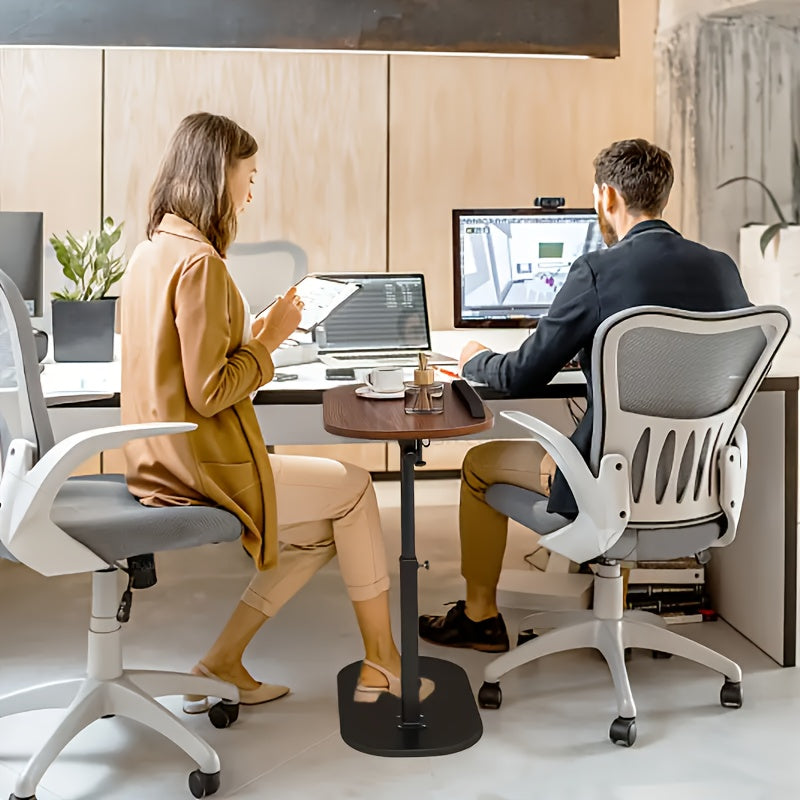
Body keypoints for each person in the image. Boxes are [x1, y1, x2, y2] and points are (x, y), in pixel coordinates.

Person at [121, 112, 432, 709]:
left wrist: (256, 333)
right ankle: (384, 663)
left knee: (318, 534)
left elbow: (182, 367)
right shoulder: (201, 264)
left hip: (158, 463)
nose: (252, 188)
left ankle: (222, 663)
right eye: (249, 173)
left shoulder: (152, 252)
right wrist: (267, 344)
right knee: (356, 488)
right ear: (218, 175)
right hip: (203, 470)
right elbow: (211, 391)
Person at [419, 138, 751, 653]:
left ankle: (479, 618)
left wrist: (471, 360)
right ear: (663, 196)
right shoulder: (723, 269)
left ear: (607, 197)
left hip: (609, 483)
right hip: (697, 483)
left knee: (477, 464)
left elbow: (518, 377)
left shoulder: (598, 270)